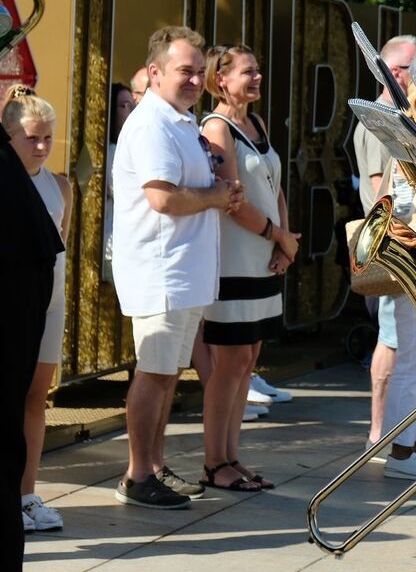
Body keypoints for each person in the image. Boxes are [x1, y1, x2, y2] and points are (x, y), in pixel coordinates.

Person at [111, 26, 244, 510]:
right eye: (183, 70)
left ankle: (156, 466)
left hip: (184, 271)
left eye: (197, 71)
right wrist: (215, 196)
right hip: (161, 271)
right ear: (154, 72)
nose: (193, 80)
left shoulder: (180, 120)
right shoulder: (152, 124)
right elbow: (162, 197)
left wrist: (220, 194)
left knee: (167, 375)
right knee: (154, 373)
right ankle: (138, 473)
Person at [350, 35, 416, 482]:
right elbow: (394, 198)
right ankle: (401, 452)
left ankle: (415, 448)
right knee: (415, 362)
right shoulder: (406, 138)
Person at [198, 44, 299, 491]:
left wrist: (286, 239)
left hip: (263, 254)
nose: (257, 78)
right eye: (247, 72)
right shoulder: (217, 127)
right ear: (221, 79)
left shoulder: (255, 122)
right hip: (235, 259)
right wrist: (277, 236)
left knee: (249, 359)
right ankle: (214, 461)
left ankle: (232, 456)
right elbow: (233, 201)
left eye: (258, 70)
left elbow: (273, 184)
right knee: (230, 362)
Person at [0, 79, 62, 572]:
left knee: (30, 401)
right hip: (20, 302)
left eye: (47, 138)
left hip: (34, 304)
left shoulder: (51, 185)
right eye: (30, 137)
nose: (40, 147)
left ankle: (26, 493)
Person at [103, 83, 135, 282]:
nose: (130, 112)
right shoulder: (110, 152)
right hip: (109, 243)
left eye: (132, 106)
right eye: (124, 106)